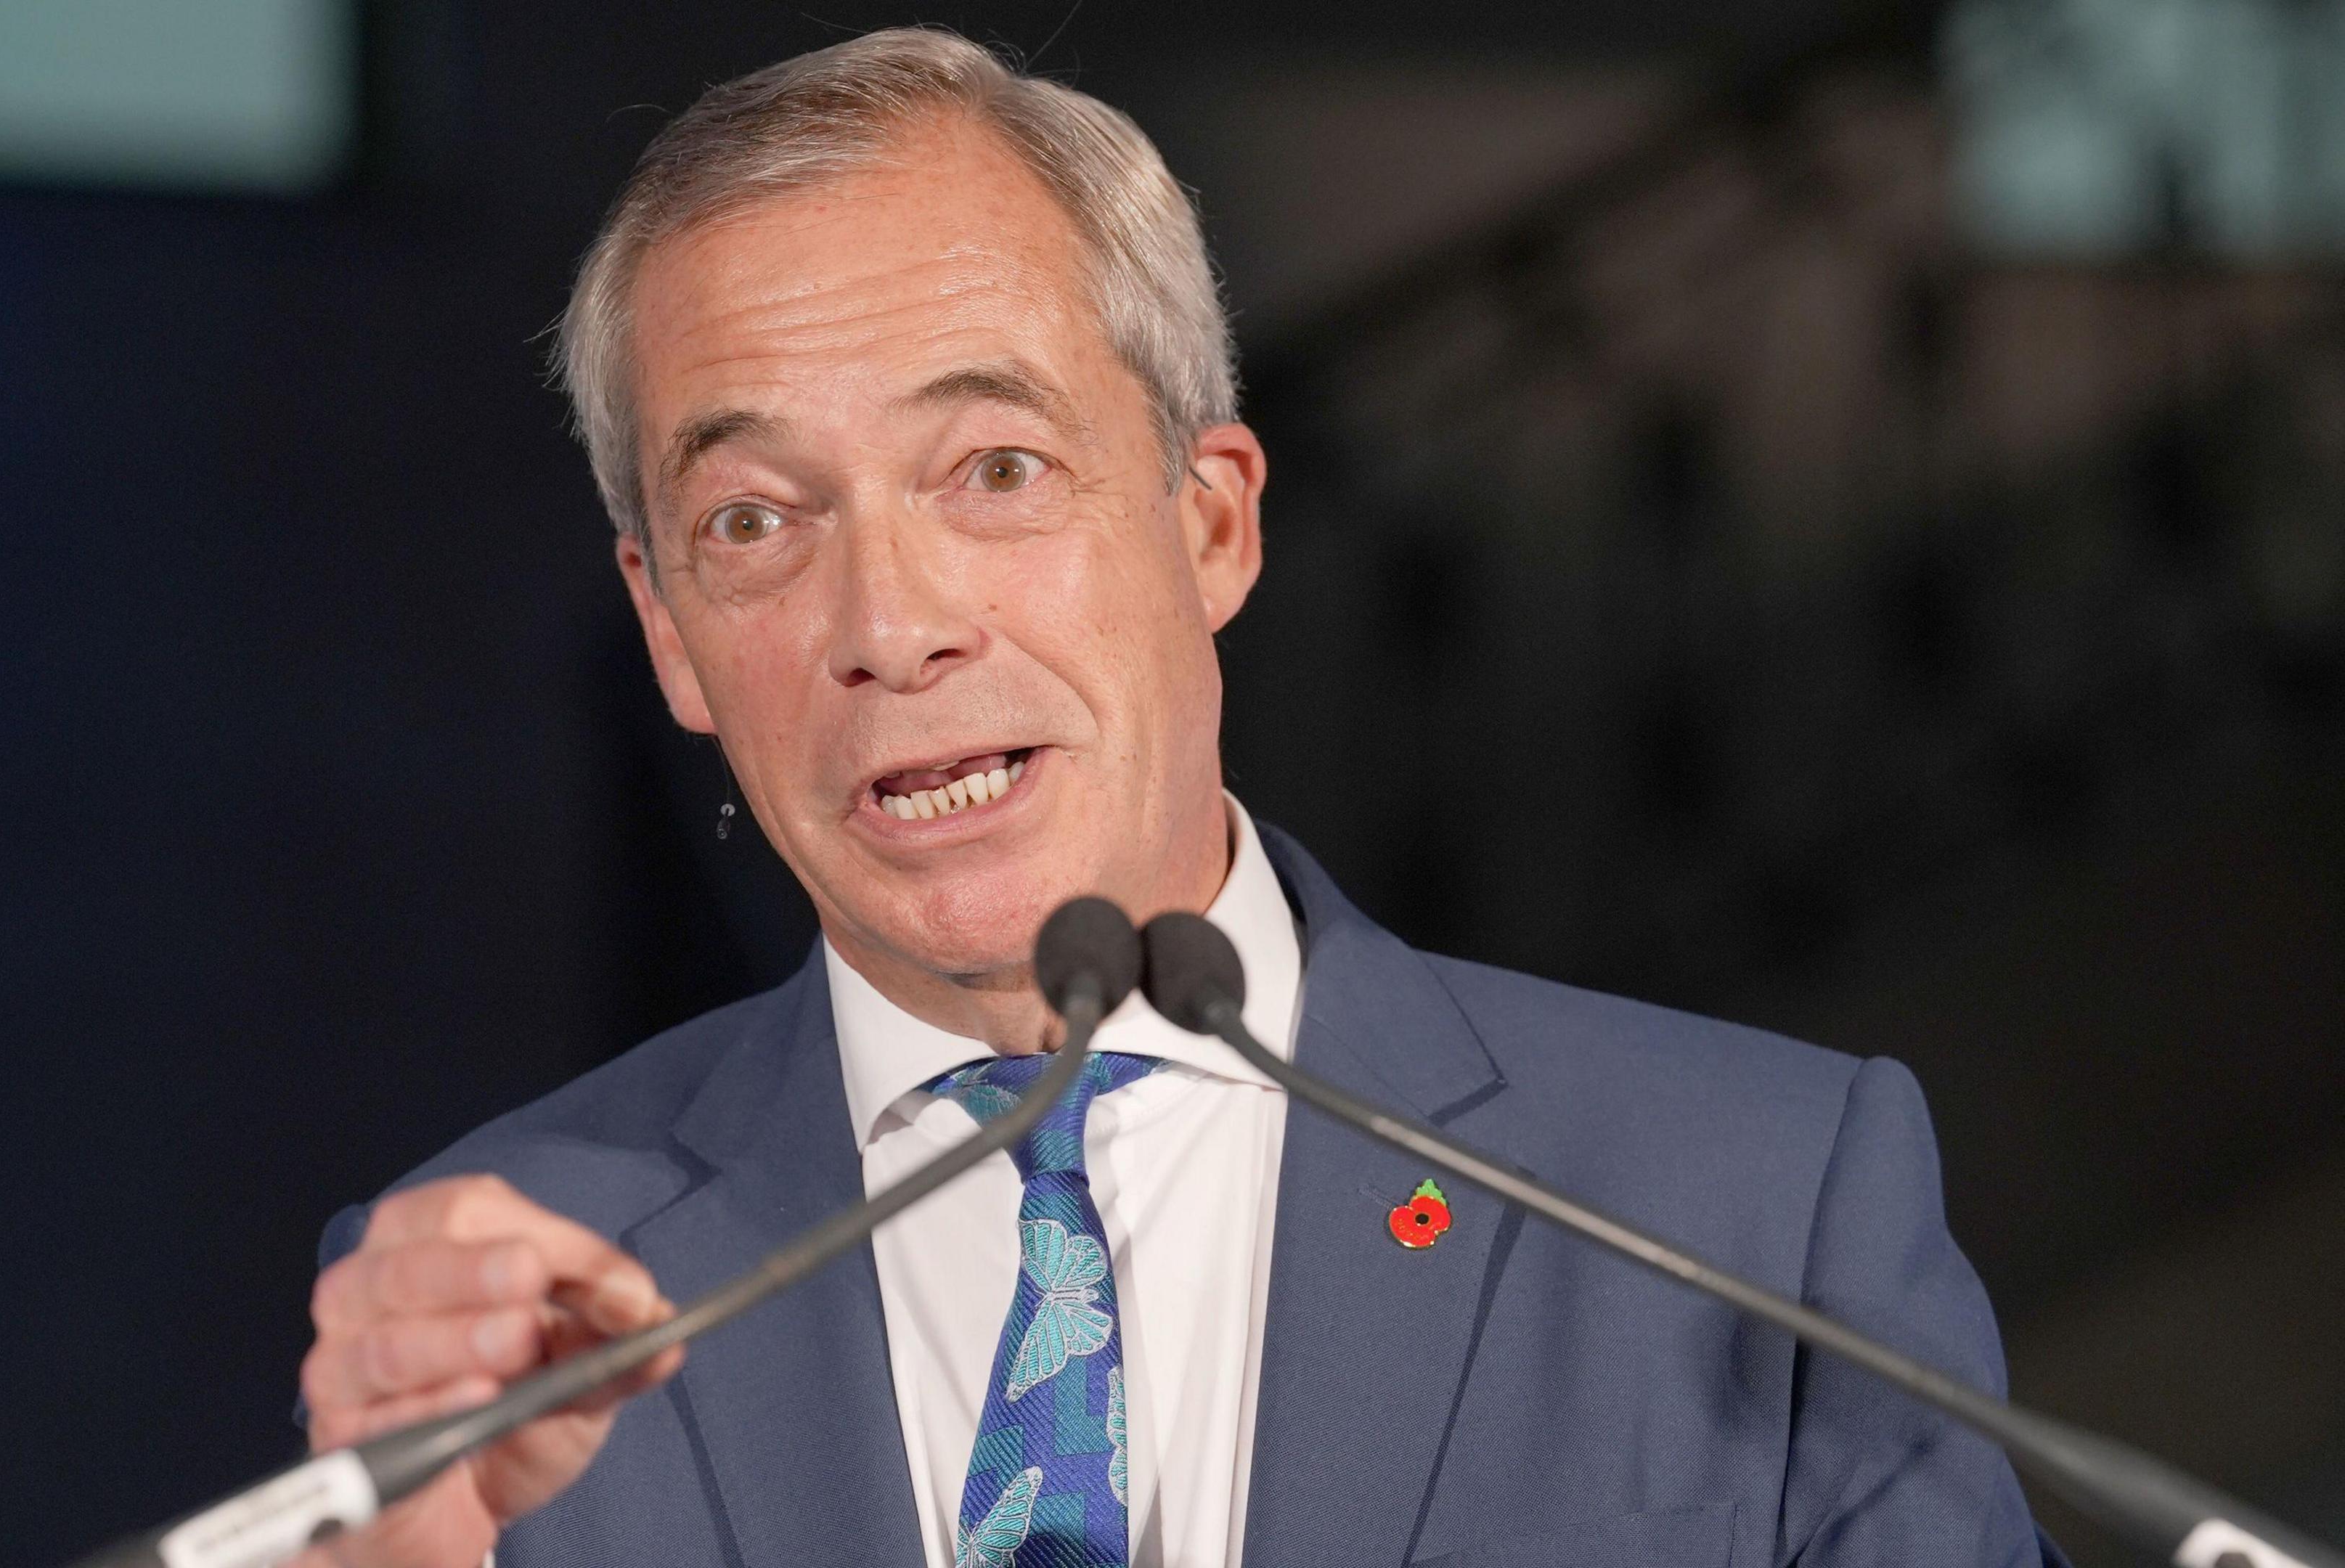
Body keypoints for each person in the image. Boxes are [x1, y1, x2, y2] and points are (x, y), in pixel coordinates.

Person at [295, 28, 2059, 1568]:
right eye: (755, 521)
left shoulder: (1742, 1208)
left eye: (995, 470)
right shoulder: (502, 1294)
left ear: (1210, 521)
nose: (890, 627)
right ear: (670, 635)